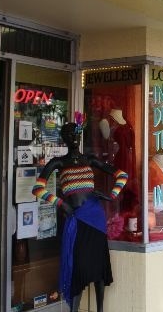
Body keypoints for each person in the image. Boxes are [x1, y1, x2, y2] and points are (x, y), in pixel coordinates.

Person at [33, 121, 128, 312]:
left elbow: (122, 175)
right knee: (79, 268)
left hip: (95, 217)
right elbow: (37, 189)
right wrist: (61, 204)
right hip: (76, 218)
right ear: (64, 139)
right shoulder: (58, 163)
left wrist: (112, 195)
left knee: (99, 268)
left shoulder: (90, 160)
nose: (73, 138)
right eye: (69, 135)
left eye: (75, 134)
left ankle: (100, 309)